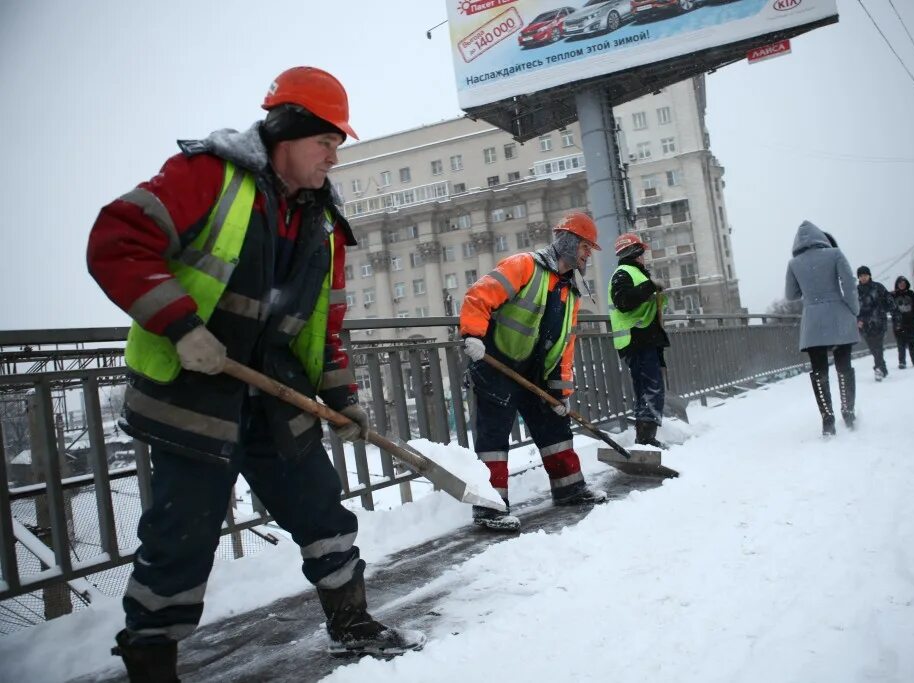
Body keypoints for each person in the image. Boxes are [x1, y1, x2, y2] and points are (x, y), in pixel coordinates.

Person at [87, 66, 424, 681]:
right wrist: (183, 327)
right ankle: (151, 661)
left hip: (277, 389)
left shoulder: (323, 219)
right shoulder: (206, 176)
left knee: (322, 511)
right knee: (181, 536)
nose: (332, 158)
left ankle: (351, 623)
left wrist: (343, 396)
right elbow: (116, 240)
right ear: (286, 133)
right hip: (194, 392)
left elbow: (327, 322)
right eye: (325, 142)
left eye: (337, 147)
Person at [460, 211, 608, 532]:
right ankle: (490, 507)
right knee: (494, 436)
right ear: (568, 242)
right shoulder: (524, 265)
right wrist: (472, 335)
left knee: (555, 427)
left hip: (535, 372)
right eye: (585, 247)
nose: (587, 255)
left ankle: (570, 489)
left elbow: (564, 346)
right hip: (495, 361)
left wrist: (560, 392)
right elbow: (479, 296)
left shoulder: (571, 291)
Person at [784, 221, 860, 436]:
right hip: (839, 316)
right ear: (821, 238)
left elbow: (791, 295)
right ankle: (848, 412)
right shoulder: (835, 254)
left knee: (819, 372)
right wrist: (853, 310)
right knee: (844, 368)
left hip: (813, 322)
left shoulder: (794, 263)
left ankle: (828, 419)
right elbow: (849, 284)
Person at [608, 232, 670, 448]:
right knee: (648, 388)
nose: (644, 257)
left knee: (649, 387)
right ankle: (645, 438)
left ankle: (646, 436)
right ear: (634, 253)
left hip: (645, 339)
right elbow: (623, 301)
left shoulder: (636, 273)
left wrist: (656, 293)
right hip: (637, 340)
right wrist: (651, 286)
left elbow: (645, 303)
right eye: (641, 252)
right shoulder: (623, 273)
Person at [855, 266, 895, 381]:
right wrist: (858, 320)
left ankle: (878, 369)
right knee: (873, 348)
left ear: (869, 275)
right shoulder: (856, 291)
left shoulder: (878, 287)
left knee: (878, 346)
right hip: (865, 325)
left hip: (879, 322)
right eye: (861, 276)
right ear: (859, 277)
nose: (863, 277)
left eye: (865, 275)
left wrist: (883, 312)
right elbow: (854, 308)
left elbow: (890, 301)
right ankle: (883, 368)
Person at [891, 276, 914, 368]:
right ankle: (902, 362)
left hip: (910, 321)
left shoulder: (911, 294)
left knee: (911, 342)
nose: (902, 285)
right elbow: (887, 305)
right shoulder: (893, 295)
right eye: (900, 283)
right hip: (898, 322)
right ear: (897, 285)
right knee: (900, 343)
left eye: (903, 283)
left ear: (906, 284)